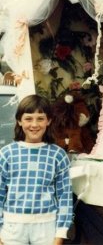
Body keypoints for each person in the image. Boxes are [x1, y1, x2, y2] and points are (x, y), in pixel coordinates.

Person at [0, 95, 73, 245]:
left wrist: (60, 234)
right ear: (19, 121)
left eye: (40, 118)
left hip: (46, 227)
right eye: (28, 118)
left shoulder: (58, 155)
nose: (34, 124)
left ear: (49, 120)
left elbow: (65, 197)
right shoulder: (6, 154)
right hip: (12, 228)